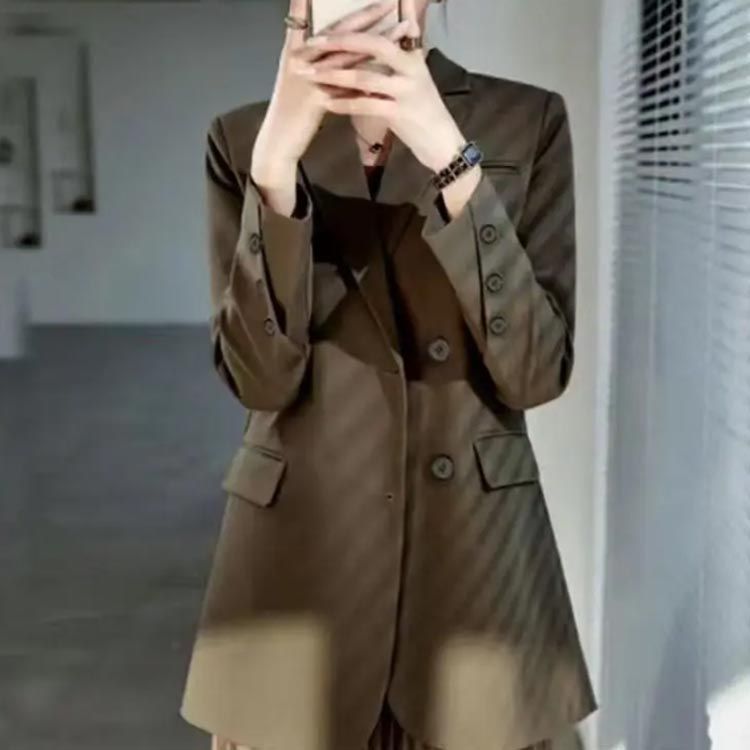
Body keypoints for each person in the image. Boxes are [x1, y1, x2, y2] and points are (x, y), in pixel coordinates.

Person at [180, 1, 598, 748]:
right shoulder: (244, 137)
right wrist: (274, 172)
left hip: (473, 567)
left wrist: (448, 154)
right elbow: (259, 381)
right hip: (299, 569)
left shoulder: (523, 121)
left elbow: (536, 373)